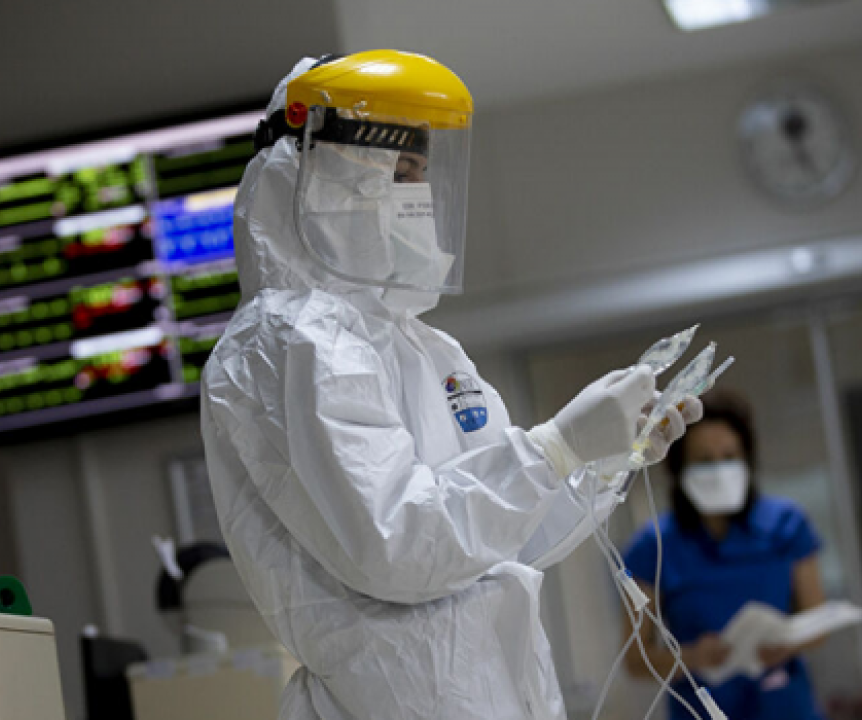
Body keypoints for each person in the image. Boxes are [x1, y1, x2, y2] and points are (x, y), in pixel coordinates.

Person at [199, 51, 701, 720]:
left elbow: (504, 540)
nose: (418, 196)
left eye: (422, 174)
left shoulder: (424, 349)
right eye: (397, 173)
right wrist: (554, 448)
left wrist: (601, 458)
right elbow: (400, 543)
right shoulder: (290, 338)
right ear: (318, 176)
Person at [622, 390, 828, 719]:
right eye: (705, 461)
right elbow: (635, 660)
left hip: (783, 704)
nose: (719, 469)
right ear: (680, 468)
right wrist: (692, 657)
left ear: (747, 460)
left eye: (730, 456)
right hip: (701, 708)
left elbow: (818, 625)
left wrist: (786, 643)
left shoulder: (786, 524)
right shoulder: (654, 545)